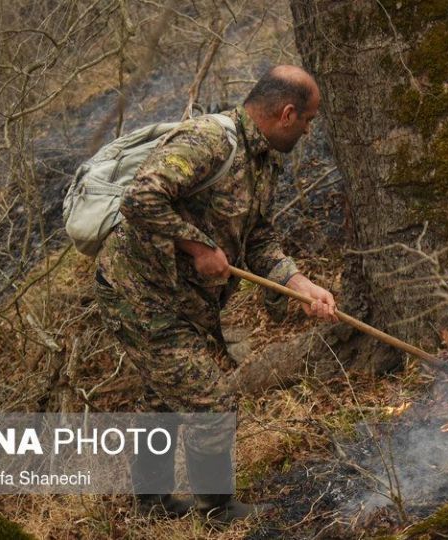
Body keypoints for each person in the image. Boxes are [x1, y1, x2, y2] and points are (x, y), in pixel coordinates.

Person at [93, 65, 337, 523]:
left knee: (163, 399)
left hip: (185, 299)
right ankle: (217, 508)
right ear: (287, 113)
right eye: (307, 120)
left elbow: (257, 237)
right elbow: (140, 198)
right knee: (212, 401)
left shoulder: (263, 161)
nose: (308, 130)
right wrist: (199, 247)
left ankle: (151, 505)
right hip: (140, 291)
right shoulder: (208, 141)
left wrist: (299, 284)